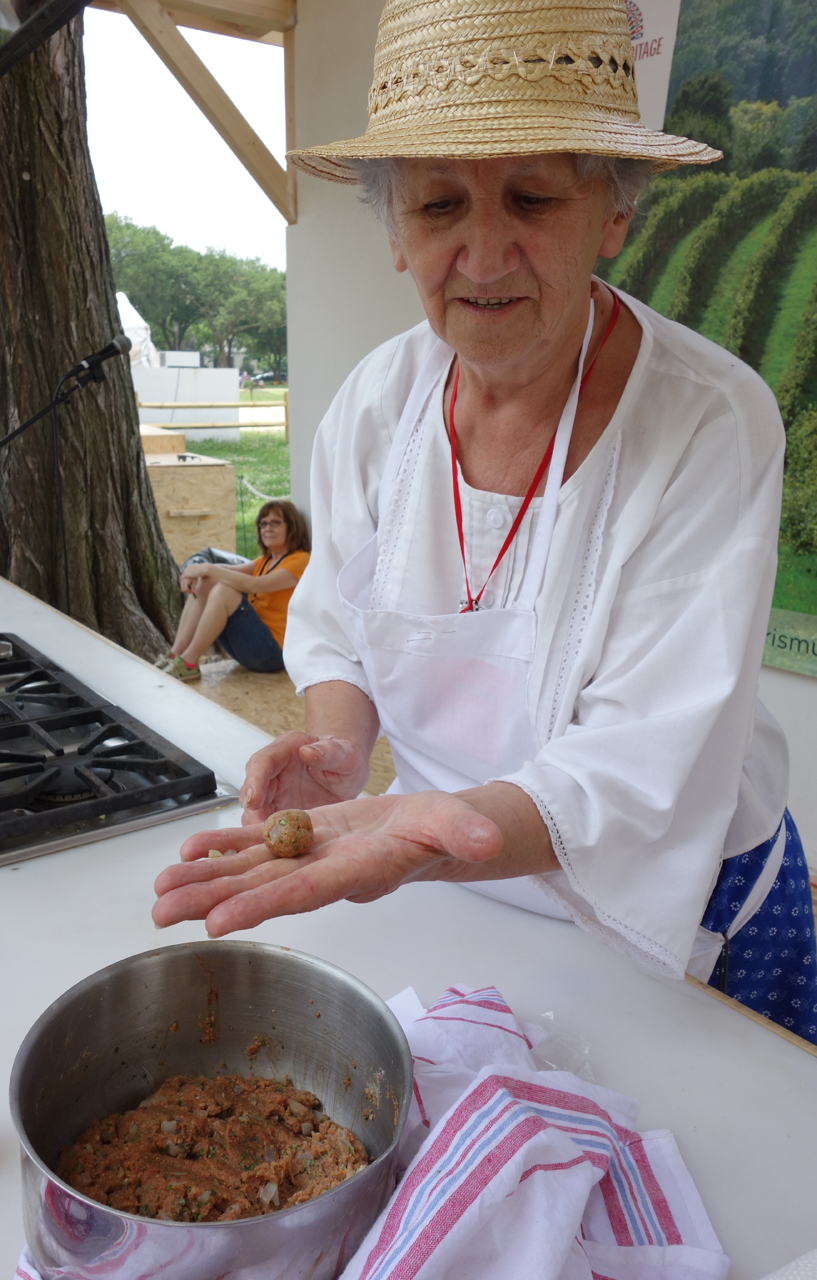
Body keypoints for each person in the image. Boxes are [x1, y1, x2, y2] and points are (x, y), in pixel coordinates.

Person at [153, 0, 817, 1042]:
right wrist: (337, 740)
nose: (484, 252)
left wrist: (423, 833)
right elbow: (335, 619)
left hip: (666, 905)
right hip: (447, 879)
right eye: (438, 206)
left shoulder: (705, 418)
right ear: (393, 233)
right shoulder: (379, 403)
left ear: (613, 213)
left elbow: (645, 762)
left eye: (531, 196)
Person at [157, 500, 310, 680]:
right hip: (251, 646)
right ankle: (176, 653)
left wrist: (208, 568)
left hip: (272, 653)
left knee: (224, 590)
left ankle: (189, 662)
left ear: (291, 527)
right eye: (263, 523)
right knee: (207, 581)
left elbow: (255, 585)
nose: (268, 528)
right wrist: (196, 571)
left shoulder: (300, 560)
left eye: (275, 522)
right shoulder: (265, 561)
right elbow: (227, 571)